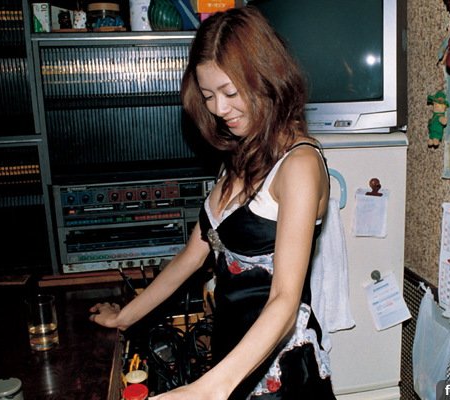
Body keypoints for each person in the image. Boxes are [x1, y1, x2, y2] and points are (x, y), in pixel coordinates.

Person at [89, 6, 335, 399]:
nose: (218, 109)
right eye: (208, 96)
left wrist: (208, 389)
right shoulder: (240, 153)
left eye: (230, 93)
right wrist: (125, 318)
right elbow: (191, 256)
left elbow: (285, 299)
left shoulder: (299, 165)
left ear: (266, 78)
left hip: (278, 373)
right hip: (230, 359)